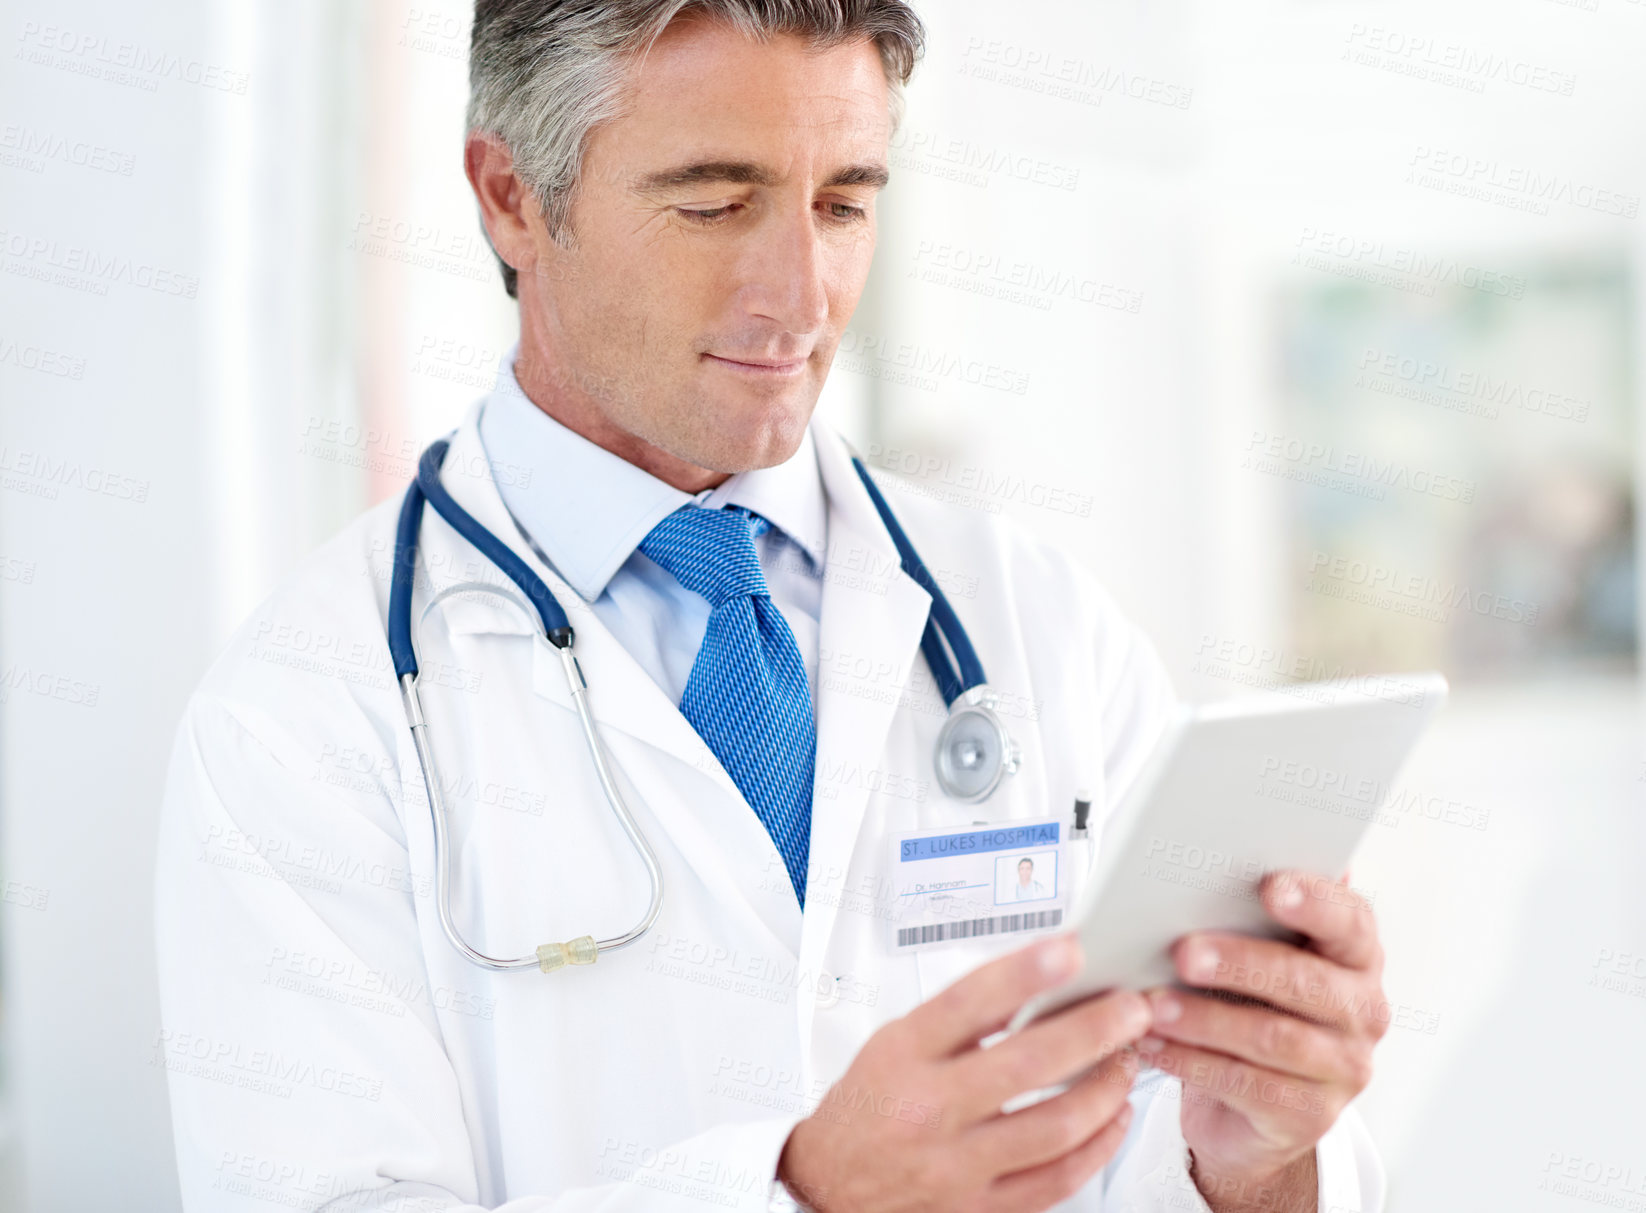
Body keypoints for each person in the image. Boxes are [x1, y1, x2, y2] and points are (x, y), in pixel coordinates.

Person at [154, 3, 1393, 1210]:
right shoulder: (308, 714)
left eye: (844, 202)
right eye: (713, 202)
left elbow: (1154, 1157)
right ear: (510, 197)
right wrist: (800, 1195)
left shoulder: (1037, 628)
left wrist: (1255, 1164)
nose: (799, 295)